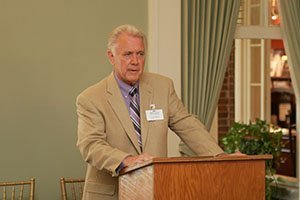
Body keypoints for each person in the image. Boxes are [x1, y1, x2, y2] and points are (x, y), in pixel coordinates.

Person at [76, 24, 224, 200]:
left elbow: (187, 124)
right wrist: (128, 160)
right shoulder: (91, 98)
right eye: (128, 54)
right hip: (111, 194)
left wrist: (220, 156)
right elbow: (91, 145)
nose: (135, 61)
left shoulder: (163, 86)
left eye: (140, 54)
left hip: (155, 191)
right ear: (111, 56)